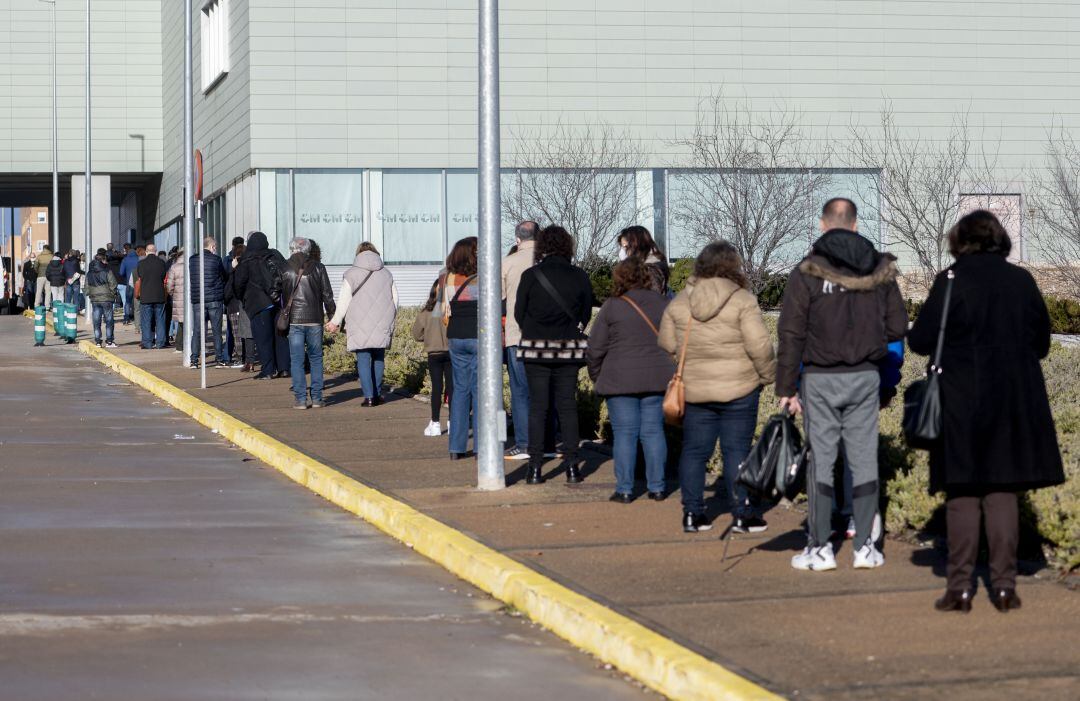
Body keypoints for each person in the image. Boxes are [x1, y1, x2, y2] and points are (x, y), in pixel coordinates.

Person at [908, 211, 1064, 612]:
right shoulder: (1022, 281)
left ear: (960, 240)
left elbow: (922, 340)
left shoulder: (951, 280)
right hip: (1012, 400)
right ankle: (1004, 588)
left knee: (962, 493)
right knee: (1001, 492)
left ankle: (959, 589)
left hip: (959, 398)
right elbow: (1042, 344)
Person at [776, 197, 908, 571]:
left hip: (819, 377)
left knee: (822, 461)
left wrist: (787, 386)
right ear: (855, 224)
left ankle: (820, 548)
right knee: (864, 461)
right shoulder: (880, 268)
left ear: (822, 225)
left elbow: (791, 332)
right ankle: (866, 546)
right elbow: (898, 327)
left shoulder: (807, 271)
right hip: (865, 375)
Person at [658, 243, 776, 533]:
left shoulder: (680, 302)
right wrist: (767, 376)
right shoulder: (743, 300)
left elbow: (667, 343)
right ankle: (742, 513)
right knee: (736, 451)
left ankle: (692, 513)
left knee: (695, 451)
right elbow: (759, 345)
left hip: (696, 390)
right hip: (740, 387)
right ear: (732, 266)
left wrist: (690, 365)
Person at [588, 257, 675, 503]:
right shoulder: (663, 304)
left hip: (620, 379)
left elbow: (595, 348)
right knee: (653, 431)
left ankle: (625, 489)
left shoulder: (613, 306)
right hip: (657, 377)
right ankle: (657, 487)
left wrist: (597, 375)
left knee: (625, 433)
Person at [515, 225, 594, 484]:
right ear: (567, 247)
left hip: (536, 349)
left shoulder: (531, 275)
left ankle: (535, 468)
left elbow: (519, 313)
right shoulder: (579, 276)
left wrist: (534, 329)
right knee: (567, 407)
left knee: (538, 408)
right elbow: (584, 313)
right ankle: (572, 466)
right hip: (568, 350)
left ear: (542, 247)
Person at [325, 242, 398, 406]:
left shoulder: (351, 273)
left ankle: (369, 397)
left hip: (359, 322)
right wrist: (390, 317)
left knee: (364, 358)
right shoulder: (387, 273)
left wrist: (335, 322)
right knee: (379, 357)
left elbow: (344, 300)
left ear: (358, 254)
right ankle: (378, 394)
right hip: (382, 321)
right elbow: (395, 300)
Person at [281, 237, 335, 409]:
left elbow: (275, 291)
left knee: (296, 360)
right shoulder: (318, 267)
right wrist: (333, 316)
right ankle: (318, 398)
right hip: (315, 319)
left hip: (295, 320)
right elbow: (327, 294)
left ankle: (301, 399)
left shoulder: (285, 267)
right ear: (308, 250)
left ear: (291, 249)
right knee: (316, 359)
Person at [439, 238, 480, 458]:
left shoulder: (447, 278)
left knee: (460, 391)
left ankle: (456, 447)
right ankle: (483, 445)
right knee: (481, 391)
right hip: (478, 334)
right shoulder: (484, 278)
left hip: (456, 335)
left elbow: (443, 311)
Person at [501, 220, 538, 460]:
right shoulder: (549, 260)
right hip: (546, 336)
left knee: (520, 390)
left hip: (517, 334)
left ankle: (524, 443)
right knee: (545, 389)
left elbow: (499, 298)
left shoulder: (508, 263)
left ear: (517, 239)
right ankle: (547, 440)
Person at [233, 231, 290, 379]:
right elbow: (287, 273)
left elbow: (238, 283)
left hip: (258, 304)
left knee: (263, 339)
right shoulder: (275, 255)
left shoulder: (247, 259)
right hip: (277, 301)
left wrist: (244, 298)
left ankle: (268, 370)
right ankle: (284, 369)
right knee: (280, 336)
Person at [412, 276, 452, 436]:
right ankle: (453, 421)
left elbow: (416, 334)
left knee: (437, 388)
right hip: (450, 352)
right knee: (452, 388)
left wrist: (427, 337)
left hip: (433, 353)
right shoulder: (450, 310)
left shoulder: (425, 313)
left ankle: (435, 422)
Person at [188, 237, 231, 368]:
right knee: (217, 330)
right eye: (215, 247)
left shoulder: (192, 260)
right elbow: (223, 276)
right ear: (212, 247)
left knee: (197, 331)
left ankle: (194, 360)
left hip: (198, 300)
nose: (215, 249)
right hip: (214, 299)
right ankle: (219, 359)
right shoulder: (216, 259)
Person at [225, 239, 256, 371]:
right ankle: (248, 359)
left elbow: (231, 288)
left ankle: (241, 358)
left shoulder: (237, 269)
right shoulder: (252, 266)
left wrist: (232, 269)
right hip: (250, 303)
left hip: (235, 303)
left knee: (238, 333)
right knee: (248, 333)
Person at [618, 225, 670, 295]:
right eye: (622, 247)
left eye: (626, 247)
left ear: (637, 245)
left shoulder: (651, 269)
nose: (623, 251)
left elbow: (653, 300)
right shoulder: (643, 265)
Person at [136, 243, 169, 349]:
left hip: (146, 296)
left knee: (146, 321)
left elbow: (140, 276)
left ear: (146, 251)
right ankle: (160, 342)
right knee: (160, 320)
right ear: (155, 251)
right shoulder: (161, 263)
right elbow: (164, 276)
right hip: (159, 295)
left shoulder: (141, 263)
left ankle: (147, 342)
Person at [85, 249, 118, 348]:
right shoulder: (107, 271)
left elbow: (86, 286)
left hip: (95, 299)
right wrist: (112, 294)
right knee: (109, 320)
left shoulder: (89, 273)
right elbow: (113, 283)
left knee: (96, 320)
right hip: (106, 298)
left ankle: (98, 341)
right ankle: (109, 341)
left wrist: (89, 293)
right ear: (102, 260)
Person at [166, 247, 185, 354]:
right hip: (193, 297)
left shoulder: (174, 267)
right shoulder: (193, 264)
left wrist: (173, 294)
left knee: (181, 323)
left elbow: (169, 286)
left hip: (178, 297)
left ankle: (179, 346)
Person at [118, 243, 138, 324]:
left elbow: (121, 272)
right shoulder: (139, 259)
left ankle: (126, 318)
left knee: (128, 301)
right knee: (137, 301)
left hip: (129, 283)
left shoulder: (125, 260)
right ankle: (136, 318)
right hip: (138, 282)